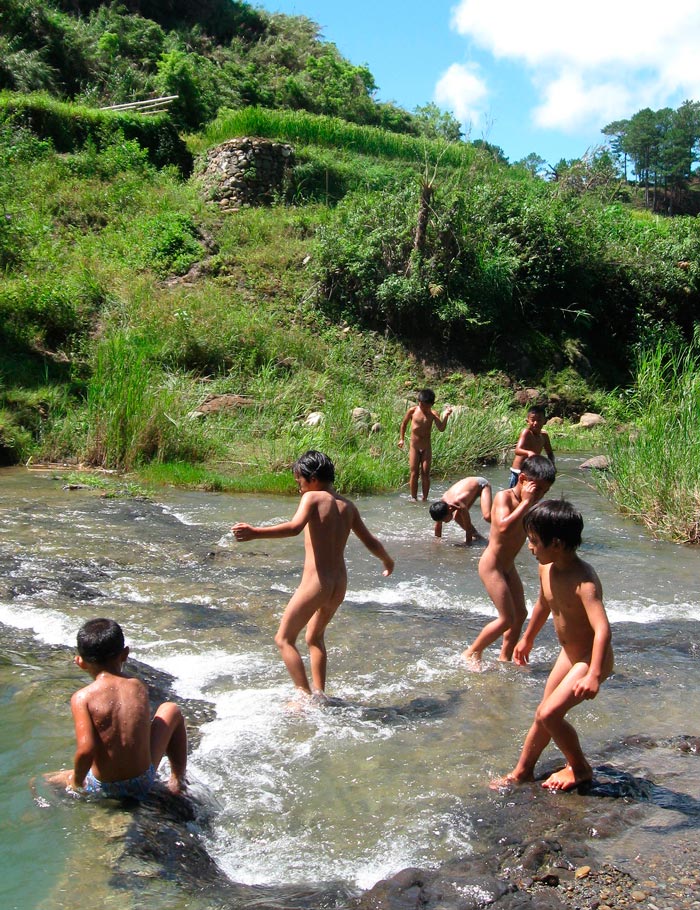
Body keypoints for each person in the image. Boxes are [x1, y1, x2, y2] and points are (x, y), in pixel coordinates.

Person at [232, 451, 394, 698]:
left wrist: (255, 532)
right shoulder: (348, 506)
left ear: (313, 478)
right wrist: (386, 560)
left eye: (300, 482)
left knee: (284, 638)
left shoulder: (313, 498)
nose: (299, 489)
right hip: (339, 585)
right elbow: (370, 541)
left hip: (316, 583)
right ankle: (319, 694)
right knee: (315, 637)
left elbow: (294, 528)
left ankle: (303, 695)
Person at [490, 499, 613, 792]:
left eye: (534, 542)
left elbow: (602, 629)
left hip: (588, 658)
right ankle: (522, 771)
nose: (530, 548)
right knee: (543, 713)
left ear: (556, 543)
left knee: (549, 714)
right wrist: (528, 637)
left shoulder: (584, 581)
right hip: (568, 654)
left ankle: (580, 769)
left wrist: (594, 674)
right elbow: (545, 602)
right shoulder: (547, 568)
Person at [45, 618, 187, 798]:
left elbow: (86, 750)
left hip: (105, 788)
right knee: (170, 709)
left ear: (80, 662)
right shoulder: (138, 685)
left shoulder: (82, 698)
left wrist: (77, 783)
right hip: (144, 780)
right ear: (125, 654)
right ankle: (177, 781)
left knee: (43, 780)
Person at [463, 455, 556, 663]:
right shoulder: (504, 498)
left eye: (544, 491)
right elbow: (503, 526)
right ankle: (472, 652)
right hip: (492, 565)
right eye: (537, 489)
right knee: (506, 618)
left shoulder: (531, 503)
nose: (539, 495)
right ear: (522, 479)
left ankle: (505, 658)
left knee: (520, 614)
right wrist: (526, 503)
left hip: (508, 566)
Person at [398, 389, 453, 501]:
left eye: (425, 406)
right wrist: (401, 439)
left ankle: (424, 498)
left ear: (431, 405)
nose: (422, 407)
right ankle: (413, 498)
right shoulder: (412, 411)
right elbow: (403, 424)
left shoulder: (433, 414)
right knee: (414, 473)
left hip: (426, 448)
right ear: (418, 401)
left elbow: (441, 428)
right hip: (414, 447)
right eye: (421, 404)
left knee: (425, 473)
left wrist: (446, 416)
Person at [429, 476, 492, 544]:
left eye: (444, 520)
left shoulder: (459, 503)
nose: (445, 522)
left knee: (487, 516)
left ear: (449, 510)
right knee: (458, 517)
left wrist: (467, 545)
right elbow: (438, 525)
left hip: (482, 485)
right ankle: (478, 536)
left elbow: (468, 527)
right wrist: (437, 542)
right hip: (472, 487)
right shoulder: (442, 505)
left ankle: (501, 529)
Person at [509, 404, 555, 488]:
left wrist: (552, 465)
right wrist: (528, 452)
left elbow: (550, 453)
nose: (535, 423)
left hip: (531, 472)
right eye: (532, 420)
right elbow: (517, 450)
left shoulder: (544, 436)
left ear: (544, 421)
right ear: (527, 421)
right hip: (518, 472)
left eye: (539, 420)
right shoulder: (526, 433)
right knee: (515, 497)